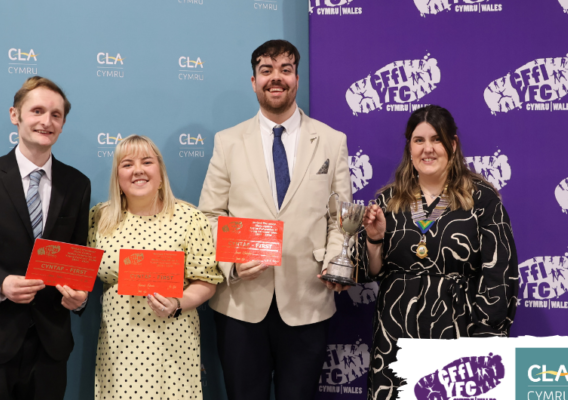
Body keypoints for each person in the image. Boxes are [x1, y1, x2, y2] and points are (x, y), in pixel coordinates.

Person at [198, 39, 352, 400]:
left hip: (308, 300)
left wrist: (336, 261)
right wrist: (231, 264)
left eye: (285, 69)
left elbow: (341, 218)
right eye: (266, 70)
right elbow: (209, 216)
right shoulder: (228, 141)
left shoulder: (331, 141)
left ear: (297, 78)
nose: (276, 77)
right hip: (240, 305)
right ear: (254, 81)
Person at [0, 76, 91, 400]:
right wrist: (1, 283)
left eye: (55, 114)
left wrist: (80, 297)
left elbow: (78, 254)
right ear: (15, 115)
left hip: (50, 347)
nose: (46, 121)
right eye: (37, 111)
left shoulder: (77, 184)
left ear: (63, 124)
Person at [359, 105, 518, 400]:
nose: (428, 149)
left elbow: (499, 274)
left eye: (436, 139)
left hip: (459, 335)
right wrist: (374, 239)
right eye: (419, 140)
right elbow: (372, 271)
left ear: (452, 145)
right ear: (409, 147)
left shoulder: (481, 199)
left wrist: (486, 338)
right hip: (395, 337)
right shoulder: (389, 200)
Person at [88, 135, 223, 400]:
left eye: (147, 162)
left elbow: (206, 281)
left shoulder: (190, 218)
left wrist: (177, 303)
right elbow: (81, 271)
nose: (137, 170)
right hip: (118, 348)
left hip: (174, 343)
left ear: (160, 173)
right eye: (127, 164)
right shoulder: (99, 217)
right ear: (117, 177)